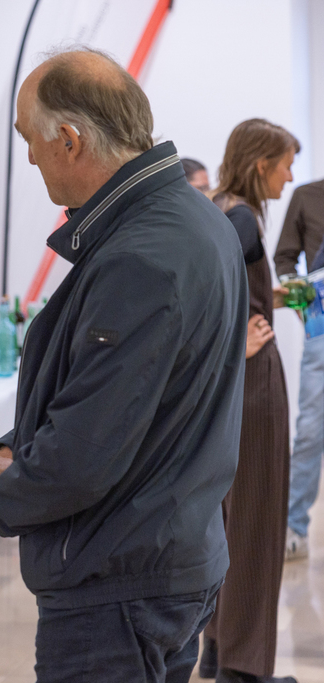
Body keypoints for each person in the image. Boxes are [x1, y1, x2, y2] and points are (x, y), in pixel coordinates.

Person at [0, 47, 247, 682]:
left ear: (68, 139)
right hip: (169, 551)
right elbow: (124, 394)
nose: (29, 158)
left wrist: (0, 498)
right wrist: (12, 448)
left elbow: (88, 447)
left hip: (119, 578)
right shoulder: (194, 220)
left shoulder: (141, 255)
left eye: (29, 140)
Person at [201, 119, 300, 683]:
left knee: (229, 521)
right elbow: (203, 286)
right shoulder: (241, 216)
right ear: (261, 164)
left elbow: (225, 283)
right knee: (257, 524)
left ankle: (219, 651)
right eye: (285, 165)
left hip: (233, 388)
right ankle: (244, 669)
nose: (290, 177)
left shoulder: (221, 206)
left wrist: (272, 297)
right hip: (253, 384)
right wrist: (234, 339)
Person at [274, 177, 324, 561]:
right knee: (309, 429)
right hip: (321, 330)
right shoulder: (306, 195)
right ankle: (293, 526)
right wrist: (303, 305)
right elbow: (284, 259)